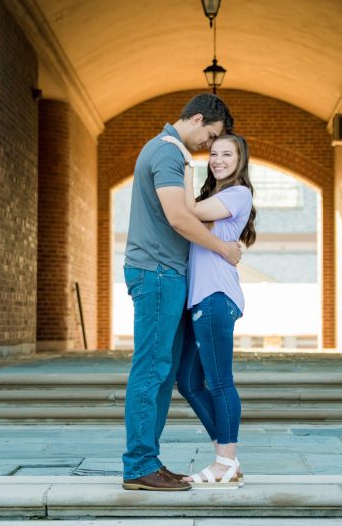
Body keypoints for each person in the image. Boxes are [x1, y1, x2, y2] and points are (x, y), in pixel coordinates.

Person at [121, 93, 243, 492]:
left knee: (165, 371)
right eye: (211, 134)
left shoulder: (172, 154)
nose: (210, 144)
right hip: (156, 272)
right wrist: (224, 248)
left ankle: (147, 462)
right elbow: (178, 217)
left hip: (166, 274)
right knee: (152, 369)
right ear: (196, 119)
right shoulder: (168, 153)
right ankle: (138, 464)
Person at [165, 132, 256, 488]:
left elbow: (189, 211)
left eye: (226, 155)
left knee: (219, 382)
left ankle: (225, 462)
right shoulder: (214, 195)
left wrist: (185, 166)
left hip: (217, 297)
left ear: (240, 161)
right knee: (187, 380)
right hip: (199, 299)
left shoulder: (238, 193)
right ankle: (226, 457)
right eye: (213, 154)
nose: (217, 160)